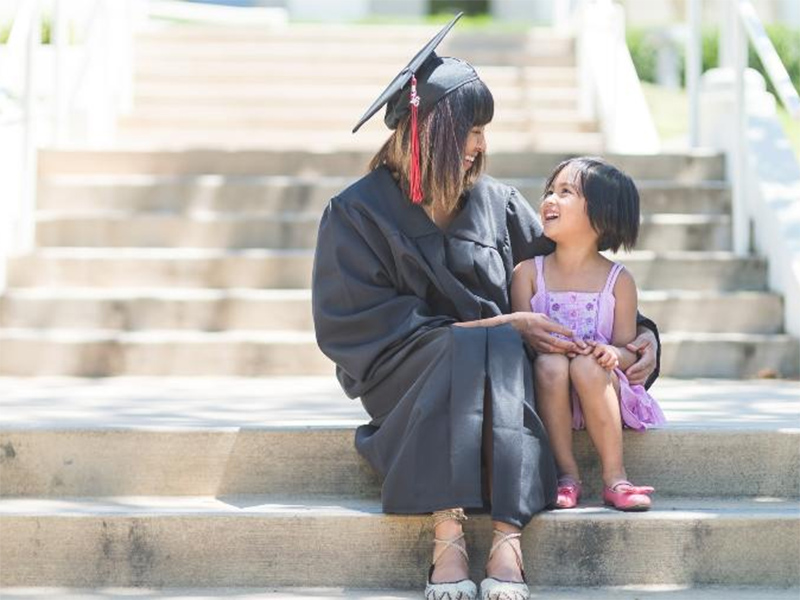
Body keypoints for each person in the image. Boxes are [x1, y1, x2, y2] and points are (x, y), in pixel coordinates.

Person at [311, 14, 661, 600]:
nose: (481, 144)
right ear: (430, 131)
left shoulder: (496, 204)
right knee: (483, 345)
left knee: (496, 348)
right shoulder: (356, 214)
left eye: (483, 129)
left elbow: (567, 272)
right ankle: (447, 537)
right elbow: (356, 325)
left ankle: (507, 536)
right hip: (406, 375)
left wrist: (641, 335)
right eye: (471, 128)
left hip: (500, 378)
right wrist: (496, 326)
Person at [511, 157, 667, 512]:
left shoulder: (618, 281)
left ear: (602, 214)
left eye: (566, 192)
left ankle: (616, 478)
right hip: (549, 389)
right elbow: (522, 343)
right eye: (550, 190)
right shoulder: (528, 275)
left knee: (587, 364)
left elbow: (627, 350)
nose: (550, 199)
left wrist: (612, 354)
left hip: (599, 389)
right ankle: (566, 476)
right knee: (551, 363)